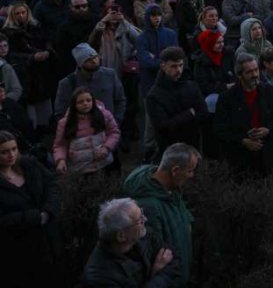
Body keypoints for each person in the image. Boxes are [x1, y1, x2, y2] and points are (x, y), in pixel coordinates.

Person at [123, 143, 200, 288]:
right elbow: (153, 254)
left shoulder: (169, 187)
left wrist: (187, 220)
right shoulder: (148, 206)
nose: (192, 176)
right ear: (175, 170)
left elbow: (180, 208)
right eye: (190, 171)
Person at [0, 130, 62, 288]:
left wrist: (48, 210)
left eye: (14, 149)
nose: (11, 155)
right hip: (16, 248)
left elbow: (52, 185)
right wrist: (34, 217)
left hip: (48, 240)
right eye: (4, 152)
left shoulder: (29, 164)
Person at [82, 197, 181, 287]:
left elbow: (174, 259)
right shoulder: (99, 277)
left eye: (142, 213)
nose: (145, 219)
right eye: (139, 220)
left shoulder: (143, 236)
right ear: (121, 236)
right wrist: (154, 274)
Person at [214, 53, 273, 176]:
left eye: (256, 70)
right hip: (241, 159)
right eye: (249, 72)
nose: (255, 75)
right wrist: (243, 140)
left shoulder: (269, 92)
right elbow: (220, 130)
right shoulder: (227, 99)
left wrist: (268, 130)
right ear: (240, 75)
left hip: (268, 154)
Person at [146, 47, 209, 155]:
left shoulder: (192, 87)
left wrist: (179, 120)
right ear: (163, 66)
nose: (178, 70)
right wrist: (189, 114)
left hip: (193, 145)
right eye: (174, 66)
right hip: (170, 150)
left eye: (180, 65)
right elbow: (164, 128)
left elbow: (203, 114)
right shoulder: (154, 95)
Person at [52, 87, 120, 176]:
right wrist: (61, 160)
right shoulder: (65, 123)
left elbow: (114, 132)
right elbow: (60, 145)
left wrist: (106, 147)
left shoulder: (104, 115)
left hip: (104, 164)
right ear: (74, 104)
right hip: (79, 169)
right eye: (81, 102)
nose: (85, 104)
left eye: (88, 100)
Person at [55, 43, 126, 126]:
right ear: (80, 63)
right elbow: (60, 111)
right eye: (89, 59)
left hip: (108, 128)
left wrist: (116, 121)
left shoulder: (110, 75)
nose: (94, 61)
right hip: (81, 133)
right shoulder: (68, 83)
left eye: (95, 57)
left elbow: (120, 100)